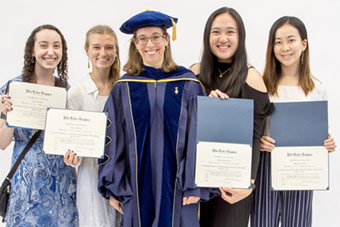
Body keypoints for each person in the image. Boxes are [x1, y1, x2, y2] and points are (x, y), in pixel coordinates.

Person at [98, 10, 216, 227]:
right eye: (142, 38)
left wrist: (195, 185)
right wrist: (113, 187)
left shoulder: (189, 84)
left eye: (155, 36)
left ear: (167, 39)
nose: (149, 43)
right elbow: (111, 139)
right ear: (135, 43)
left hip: (180, 189)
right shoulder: (123, 88)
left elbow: (200, 137)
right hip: (136, 187)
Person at [190, 7, 273, 227]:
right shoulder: (193, 75)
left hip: (233, 186)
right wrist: (203, 102)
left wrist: (249, 185)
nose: (223, 38)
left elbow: (256, 135)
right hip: (196, 182)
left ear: (240, 36)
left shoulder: (251, 77)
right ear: (208, 36)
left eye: (230, 32)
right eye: (216, 32)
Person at [251, 16, 336, 227]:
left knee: (298, 222)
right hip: (266, 164)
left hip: (301, 166)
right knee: (263, 222)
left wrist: (327, 142)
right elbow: (253, 127)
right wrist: (260, 140)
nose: (284, 47)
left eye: (291, 40)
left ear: (303, 44)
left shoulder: (317, 88)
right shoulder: (262, 84)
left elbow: (321, 132)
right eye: (278, 42)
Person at [0, 24, 78, 226]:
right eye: (44, 45)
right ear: (32, 51)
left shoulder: (68, 91)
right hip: (27, 183)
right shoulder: (12, 87)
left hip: (62, 183)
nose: (51, 52)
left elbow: (73, 139)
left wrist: (75, 157)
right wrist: (8, 115)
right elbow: (2, 143)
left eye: (57, 46)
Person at [63, 25, 122, 227]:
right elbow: (69, 141)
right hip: (92, 177)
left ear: (116, 51)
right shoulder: (77, 93)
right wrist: (71, 157)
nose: (103, 53)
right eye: (97, 47)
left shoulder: (125, 88)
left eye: (109, 47)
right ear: (86, 50)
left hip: (124, 176)